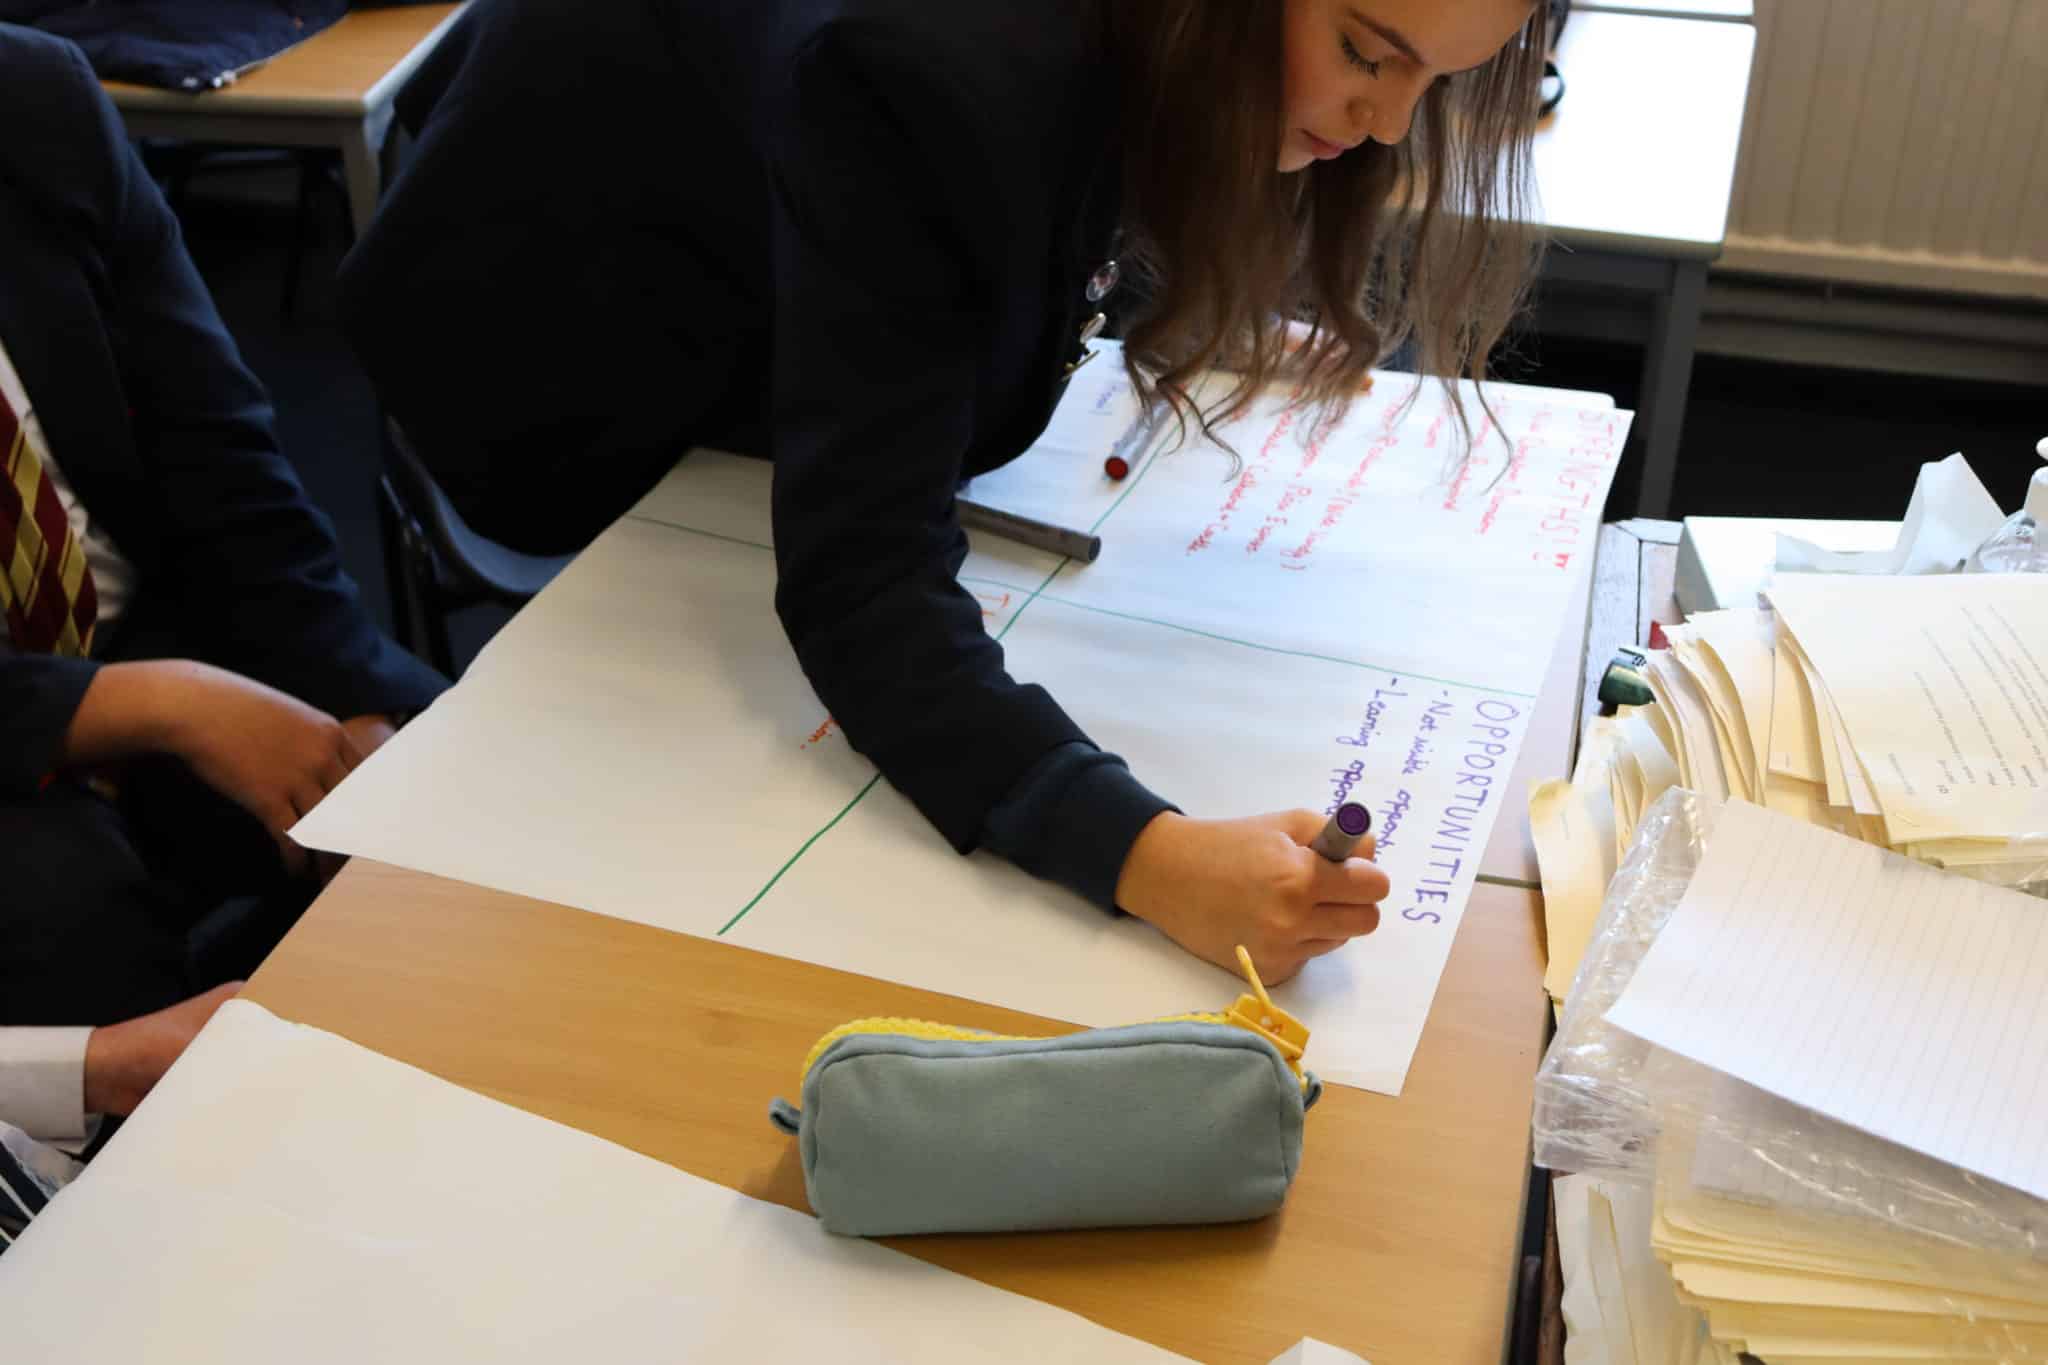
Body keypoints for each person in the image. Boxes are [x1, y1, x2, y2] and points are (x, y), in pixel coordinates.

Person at [339, 0, 1544, 983]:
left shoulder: (1081, 55)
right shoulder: (926, 64)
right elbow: (861, 583)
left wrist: (1182, 297)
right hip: (545, 358)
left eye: (1435, 80)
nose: (1390, 124)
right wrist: (1144, 854)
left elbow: (1038, 210)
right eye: (1364, 55)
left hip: (737, 266)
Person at [0, 23, 446, 1150]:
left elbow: (224, 461)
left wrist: (352, 699)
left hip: (142, 629)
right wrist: (154, 702)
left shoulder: (30, 95)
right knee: (74, 914)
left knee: (443, 782)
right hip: (50, 716)